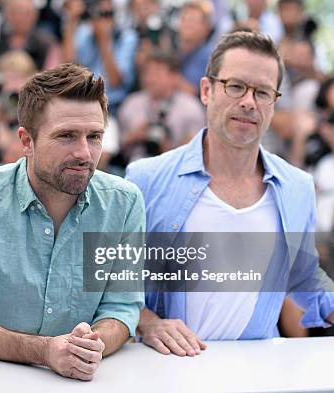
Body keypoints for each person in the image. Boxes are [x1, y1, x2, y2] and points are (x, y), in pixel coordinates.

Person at [125, 31, 334, 356]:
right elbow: (111, 283)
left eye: (262, 92)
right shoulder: (146, 179)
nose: (249, 102)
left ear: (274, 103)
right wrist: (149, 323)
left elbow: (304, 277)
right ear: (206, 90)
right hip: (166, 372)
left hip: (254, 371)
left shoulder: (297, 187)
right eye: (235, 86)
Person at [0, 63, 145, 381]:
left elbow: (123, 308)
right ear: (26, 140)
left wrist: (86, 349)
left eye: (94, 136)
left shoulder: (125, 203)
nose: (84, 153)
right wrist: (45, 351)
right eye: (66, 136)